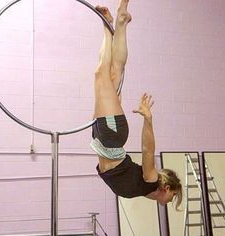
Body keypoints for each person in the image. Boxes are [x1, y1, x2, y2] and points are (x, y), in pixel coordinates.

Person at [90, 0, 182, 210]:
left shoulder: (145, 190)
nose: (170, 203)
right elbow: (148, 150)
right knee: (100, 75)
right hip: (112, 135)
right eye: (173, 197)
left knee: (113, 73)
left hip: (103, 137)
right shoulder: (150, 180)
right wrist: (148, 120)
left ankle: (115, 24)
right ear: (166, 188)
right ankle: (113, 24)